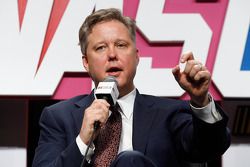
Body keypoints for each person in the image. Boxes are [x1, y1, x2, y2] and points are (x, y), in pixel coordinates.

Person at [32, 8, 230, 167]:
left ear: (136, 56)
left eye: (120, 45)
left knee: (129, 161)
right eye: (100, 47)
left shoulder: (168, 114)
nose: (112, 54)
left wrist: (201, 101)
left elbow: (210, 148)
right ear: (86, 62)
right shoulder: (58, 117)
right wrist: (82, 140)